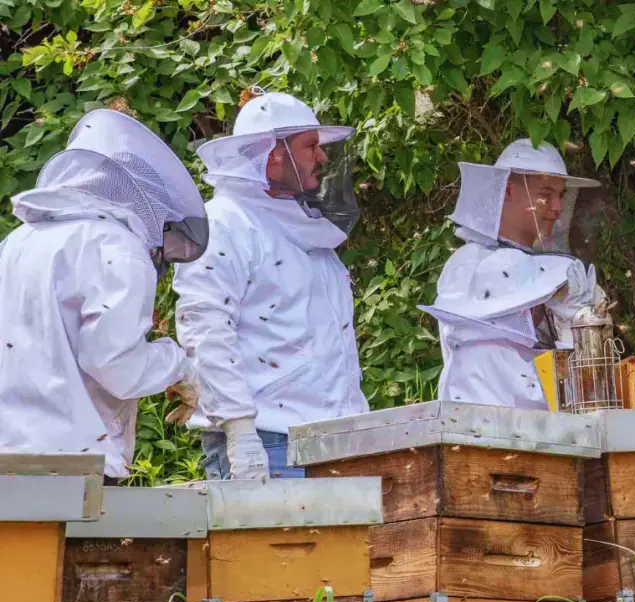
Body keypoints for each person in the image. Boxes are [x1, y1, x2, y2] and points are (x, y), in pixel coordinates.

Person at [0, 109, 208, 481]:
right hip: (73, 465)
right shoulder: (118, 247)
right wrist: (179, 365)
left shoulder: (18, 241)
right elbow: (115, 365)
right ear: (150, 204)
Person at [173, 91, 367, 481]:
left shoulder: (310, 235)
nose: (324, 157)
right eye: (310, 146)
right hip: (266, 442)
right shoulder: (226, 223)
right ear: (274, 153)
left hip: (333, 440)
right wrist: (239, 431)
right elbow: (206, 326)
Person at [421, 139, 605, 409]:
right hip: (479, 425)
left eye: (561, 196)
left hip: (542, 427)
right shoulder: (469, 266)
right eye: (545, 194)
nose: (556, 208)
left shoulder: (539, 269)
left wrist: (576, 319)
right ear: (508, 191)